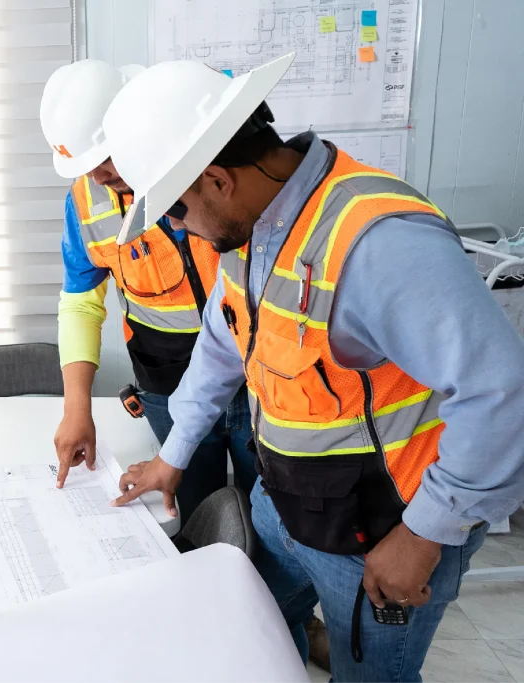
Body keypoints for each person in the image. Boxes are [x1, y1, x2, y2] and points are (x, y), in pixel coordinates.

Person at [104, 53, 524, 681]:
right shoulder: (250, 234)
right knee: (254, 628)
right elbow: (223, 347)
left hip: (383, 533)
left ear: (218, 180)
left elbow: (502, 393)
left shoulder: (377, 242)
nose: (179, 229)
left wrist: (424, 535)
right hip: (290, 507)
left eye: (175, 212)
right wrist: (175, 453)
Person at [39, 58, 256, 522]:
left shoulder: (216, 172)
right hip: (168, 384)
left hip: (260, 376)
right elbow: (80, 302)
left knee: (274, 520)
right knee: (198, 517)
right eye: (85, 166)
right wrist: (77, 406)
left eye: (104, 159)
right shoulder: (84, 203)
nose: (97, 175)